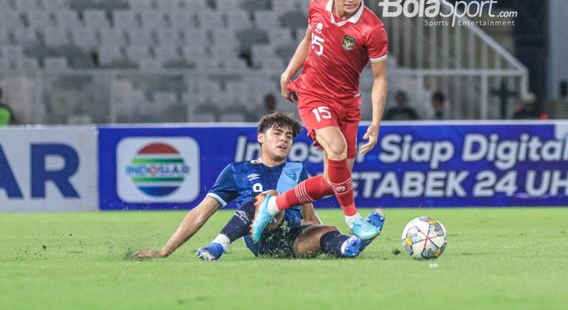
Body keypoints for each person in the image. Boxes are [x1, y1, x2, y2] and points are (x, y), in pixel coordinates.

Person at [250, 0, 388, 243]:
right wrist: (288, 73)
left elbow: (379, 79)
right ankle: (354, 220)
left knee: (333, 182)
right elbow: (308, 40)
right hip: (313, 94)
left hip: (349, 104)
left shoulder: (372, 30)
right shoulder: (316, 6)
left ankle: (273, 205)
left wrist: (375, 123)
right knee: (336, 147)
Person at [131, 112, 382, 261]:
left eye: (289, 136)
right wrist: (165, 251)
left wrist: (320, 231)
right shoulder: (237, 171)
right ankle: (220, 243)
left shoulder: (297, 169)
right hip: (260, 238)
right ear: (260, 137)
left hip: (291, 241)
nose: (284, 139)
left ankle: (351, 243)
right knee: (270, 198)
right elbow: (200, 212)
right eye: (277, 133)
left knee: (327, 231)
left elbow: (308, 217)